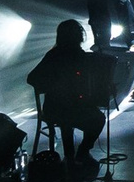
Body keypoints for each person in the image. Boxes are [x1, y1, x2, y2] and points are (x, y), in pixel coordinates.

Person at [26, 19, 109, 170]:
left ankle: (77, 155)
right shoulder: (55, 55)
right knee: (77, 119)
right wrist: (54, 85)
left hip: (67, 106)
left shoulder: (71, 55)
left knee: (95, 118)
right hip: (57, 108)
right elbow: (32, 78)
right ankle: (76, 156)